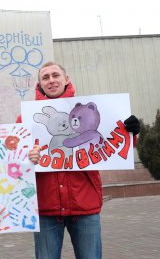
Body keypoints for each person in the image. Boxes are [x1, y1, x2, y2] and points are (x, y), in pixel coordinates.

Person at [18, 61, 141, 259]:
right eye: (46, 77)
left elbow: (113, 143)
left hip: (84, 204)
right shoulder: (25, 118)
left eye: (55, 75)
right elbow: (16, 159)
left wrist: (131, 133)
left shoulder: (89, 110)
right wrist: (27, 158)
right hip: (46, 207)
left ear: (66, 80)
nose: (51, 81)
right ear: (40, 85)